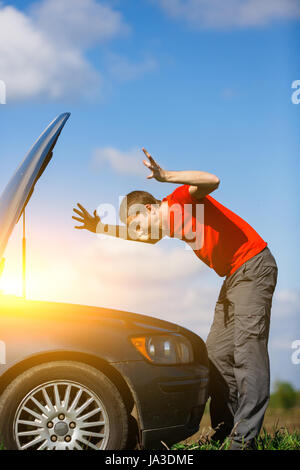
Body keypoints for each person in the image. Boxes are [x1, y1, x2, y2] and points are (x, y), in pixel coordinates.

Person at [72, 148, 278, 450]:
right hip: (233, 277)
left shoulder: (182, 199)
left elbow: (212, 179)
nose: (140, 235)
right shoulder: (165, 225)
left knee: (248, 353)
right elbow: (144, 236)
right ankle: (224, 430)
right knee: (216, 358)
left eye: (138, 225)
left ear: (152, 208)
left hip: (254, 266)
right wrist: (98, 227)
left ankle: (243, 442)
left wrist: (165, 176)